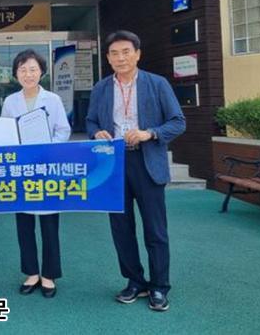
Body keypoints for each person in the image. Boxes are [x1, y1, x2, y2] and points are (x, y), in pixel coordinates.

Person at [86, 30, 185, 312]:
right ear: (107, 58)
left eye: (126, 52)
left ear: (138, 54)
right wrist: (97, 133)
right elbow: (91, 121)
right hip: (114, 164)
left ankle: (159, 286)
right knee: (121, 228)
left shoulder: (157, 83)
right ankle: (135, 281)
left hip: (147, 162)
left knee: (155, 229)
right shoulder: (101, 88)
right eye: (114, 53)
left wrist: (149, 133)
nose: (121, 58)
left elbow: (178, 121)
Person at [1, 49, 71, 298]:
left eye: (32, 69)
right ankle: (31, 272)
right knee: (24, 224)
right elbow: (5, 133)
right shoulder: (10, 102)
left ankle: (49, 274)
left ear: (41, 72)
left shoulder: (53, 99)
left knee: (50, 224)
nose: (28, 74)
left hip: (46, 168)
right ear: (16, 74)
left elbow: (63, 130)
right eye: (22, 70)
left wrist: (48, 148)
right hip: (21, 170)